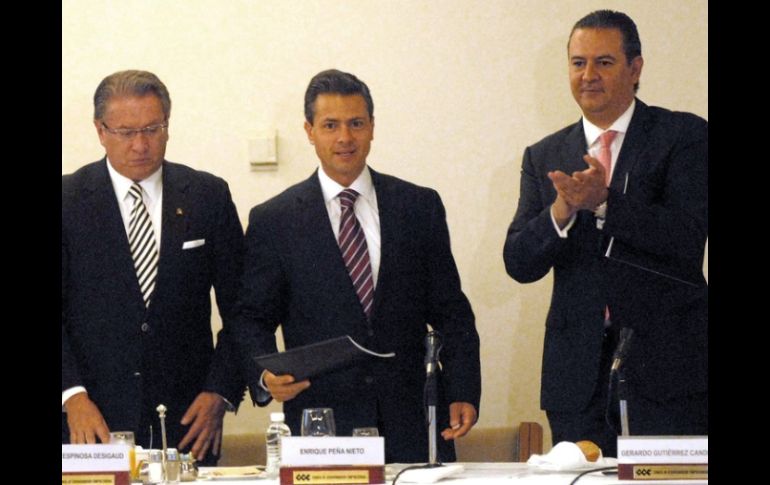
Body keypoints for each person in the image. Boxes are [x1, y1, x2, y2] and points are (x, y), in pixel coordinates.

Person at [233, 69, 481, 463]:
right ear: (309, 131)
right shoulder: (274, 220)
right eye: (330, 125)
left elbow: (452, 312)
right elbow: (251, 318)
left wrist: (463, 389)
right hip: (322, 425)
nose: (345, 137)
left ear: (372, 128)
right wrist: (265, 375)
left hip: (412, 422)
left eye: (356, 123)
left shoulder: (418, 206)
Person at [503, 10, 707, 457]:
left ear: (635, 69)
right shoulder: (544, 155)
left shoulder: (683, 136)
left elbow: (687, 238)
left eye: (604, 62)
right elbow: (518, 262)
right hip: (577, 384)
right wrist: (561, 209)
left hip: (668, 376)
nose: (588, 75)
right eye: (578, 63)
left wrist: (605, 202)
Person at [62, 70, 245, 464]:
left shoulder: (207, 196)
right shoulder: (67, 201)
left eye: (153, 129)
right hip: (89, 422)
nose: (141, 145)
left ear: (168, 125)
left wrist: (221, 391)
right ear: (100, 130)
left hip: (189, 422)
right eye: (126, 132)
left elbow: (242, 309)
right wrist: (71, 395)